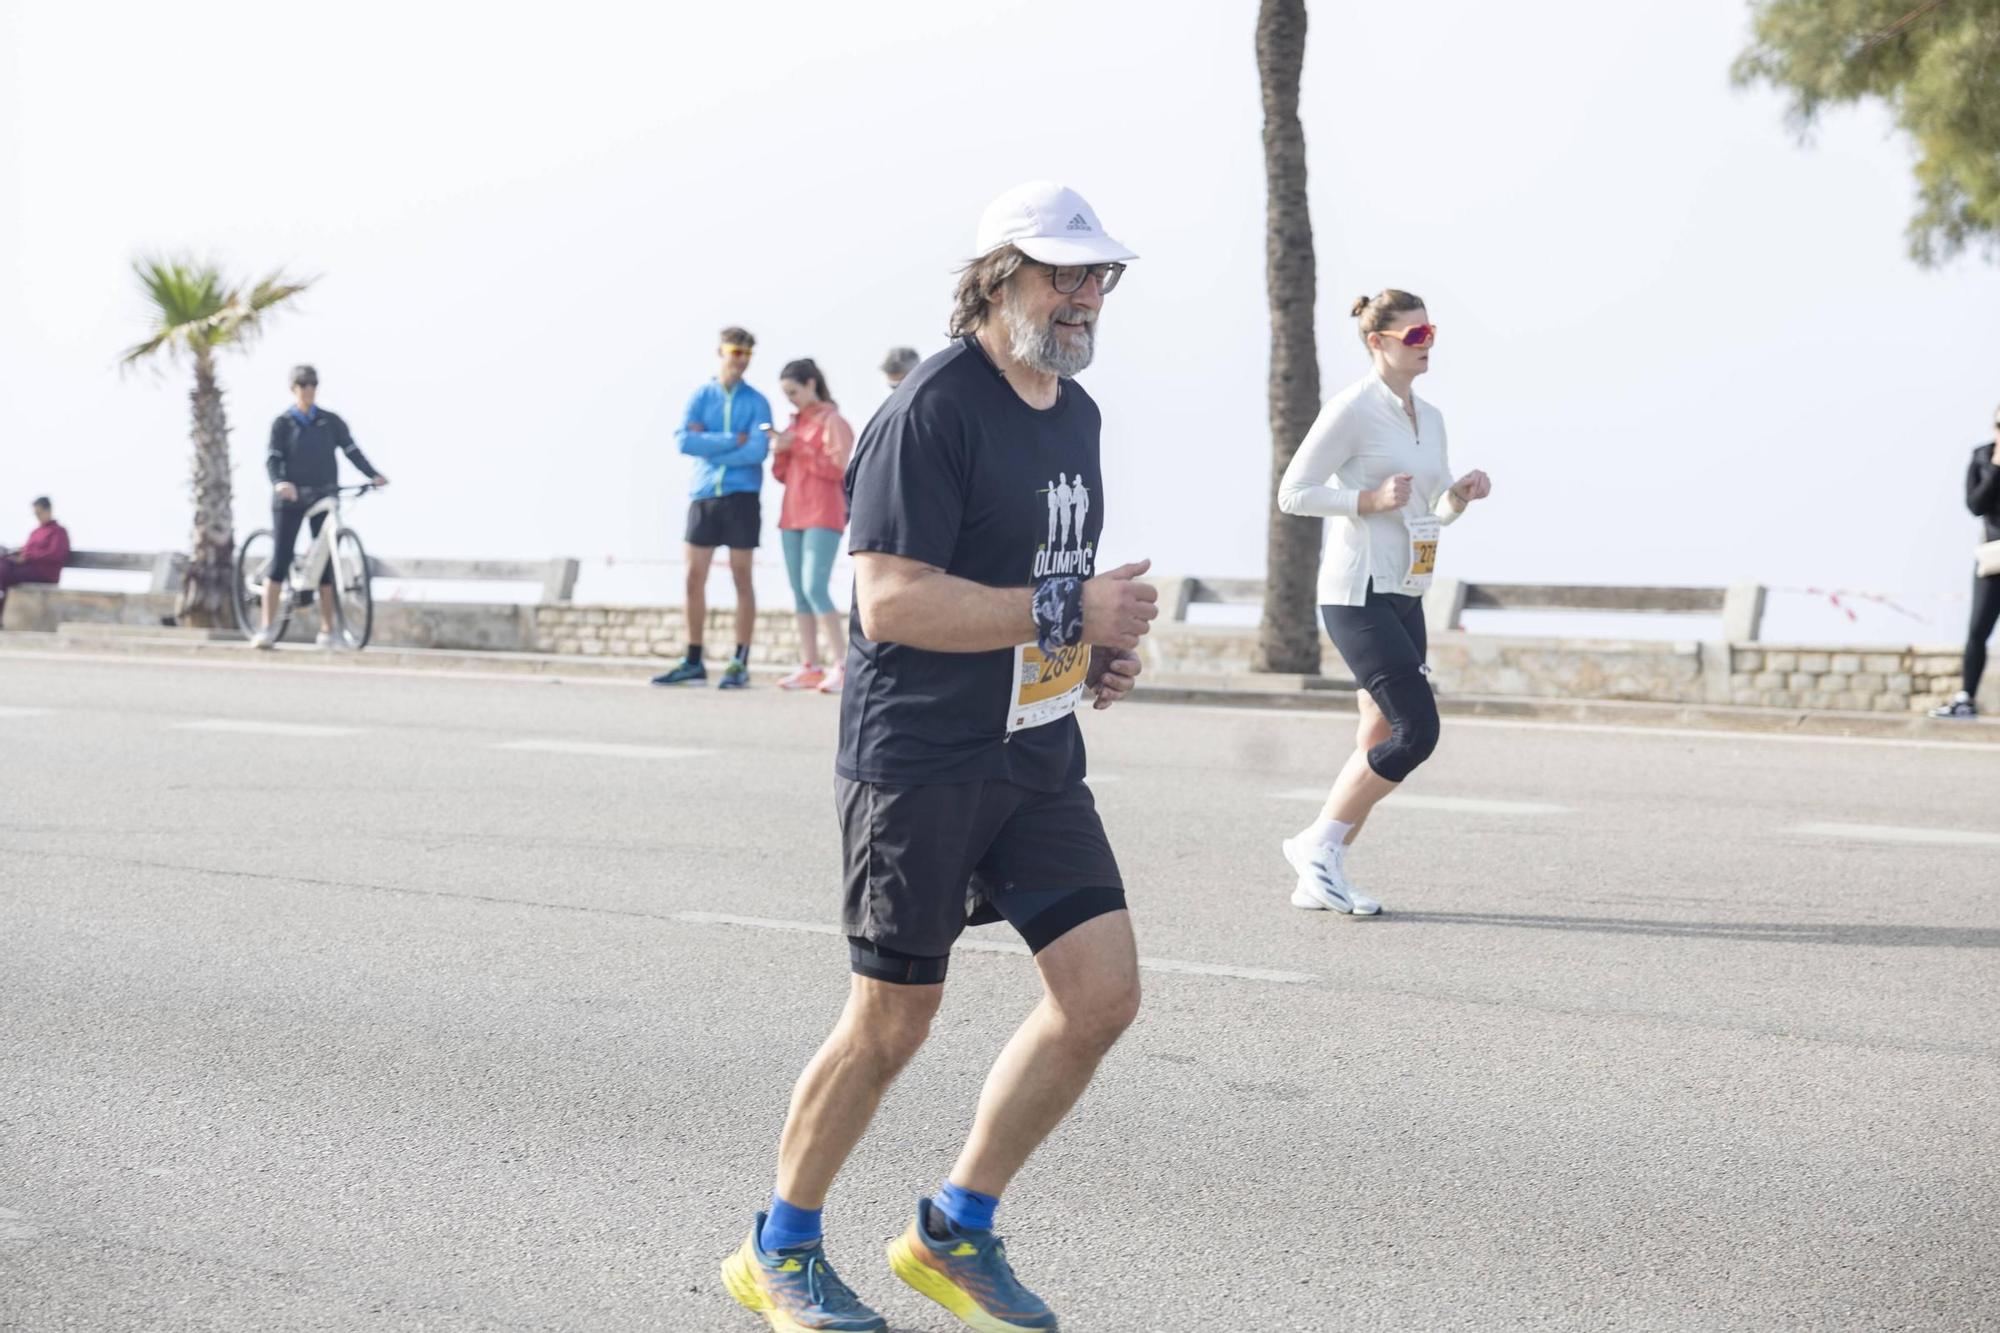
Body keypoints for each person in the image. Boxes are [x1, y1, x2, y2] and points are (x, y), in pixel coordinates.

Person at [720, 181, 1155, 1333]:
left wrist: (1092, 650)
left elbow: (1036, 596)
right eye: (1062, 273)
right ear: (996, 276)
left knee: (1102, 996)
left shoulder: (1074, 412)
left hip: (1031, 753)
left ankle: (950, 1233)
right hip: (917, 757)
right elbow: (892, 601)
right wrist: (1069, 606)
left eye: (1096, 275)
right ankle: (778, 1248)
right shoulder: (930, 411)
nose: (1083, 297)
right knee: (891, 1022)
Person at [1275, 290, 1492, 915]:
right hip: (1357, 593)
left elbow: (1431, 515)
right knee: (1416, 731)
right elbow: (1295, 492)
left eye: (1431, 333)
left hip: (1407, 590)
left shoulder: (1432, 417)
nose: (1427, 345)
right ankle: (1316, 845)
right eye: (1414, 335)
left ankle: (1319, 867)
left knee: (1376, 728)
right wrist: (1366, 501)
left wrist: (1458, 496)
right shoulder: (1352, 409)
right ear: (1378, 342)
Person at [654, 327, 772, 689]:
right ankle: (692, 659)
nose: (740, 360)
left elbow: (757, 450)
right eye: (736, 352)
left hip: (742, 496)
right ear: (720, 351)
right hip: (704, 494)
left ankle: (740, 661)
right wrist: (729, 441)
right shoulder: (701, 396)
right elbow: (684, 440)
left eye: (747, 355)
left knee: (741, 577)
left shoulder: (758, 401)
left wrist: (712, 444)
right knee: (693, 577)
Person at [254, 366, 388, 650]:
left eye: (312, 384)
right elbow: (273, 459)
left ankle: (329, 630)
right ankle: (266, 628)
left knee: (326, 562)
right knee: (281, 559)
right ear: (293, 388)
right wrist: (280, 483)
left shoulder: (330, 422)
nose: (308, 389)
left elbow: (352, 451)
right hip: (290, 499)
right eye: (302, 385)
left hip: (324, 495)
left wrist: (373, 475)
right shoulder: (283, 423)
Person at [767, 358, 856, 693]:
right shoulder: (793, 424)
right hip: (792, 515)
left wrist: (800, 448)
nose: (790, 398)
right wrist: (781, 451)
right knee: (800, 593)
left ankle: (842, 665)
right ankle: (810, 665)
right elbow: (780, 475)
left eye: (793, 391)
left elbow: (838, 468)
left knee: (815, 587)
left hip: (823, 513)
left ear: (810, 384)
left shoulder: (833, 421)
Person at [1931, 404, 2000, 719]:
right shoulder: (1981, 457)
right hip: (1992, 557)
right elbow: (1976, 504)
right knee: (1978, 629)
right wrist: (1997, 464)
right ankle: (1966, 697)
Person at [0, 496, 70, 620]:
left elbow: (55, 554)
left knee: (3, 572)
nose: (37, 516)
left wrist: (28, 556)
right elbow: (27, 549)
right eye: (35, 514)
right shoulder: (36, 531)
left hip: (44, 573)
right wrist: (16, 553)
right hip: (27, 568)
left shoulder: (58, 532)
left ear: (48, 510)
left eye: (39, 513)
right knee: (3, 564)